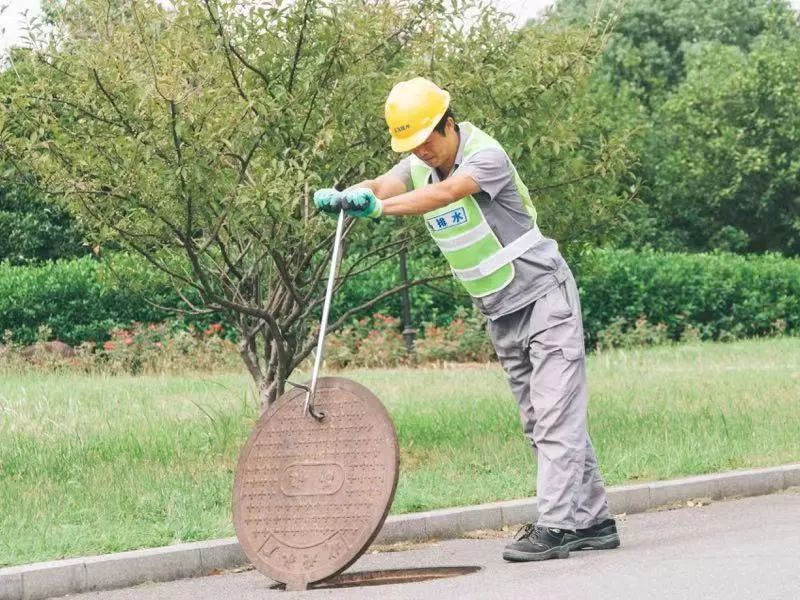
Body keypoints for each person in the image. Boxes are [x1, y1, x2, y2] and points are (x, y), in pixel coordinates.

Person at [313, 77, 620, 562]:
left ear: (448, 124)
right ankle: (595, 521)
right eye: (411, 146)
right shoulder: (419, 162)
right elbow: (382, 184)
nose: (422, 153)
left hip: (545, 300)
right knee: (539, 419)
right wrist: (349, 195)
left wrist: (379, 209)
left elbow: (447, 194)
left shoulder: (485, 157)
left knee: (556, 416)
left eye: (427, 141)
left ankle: (559, 527)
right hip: (499, 307)